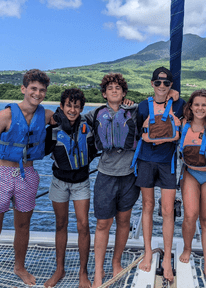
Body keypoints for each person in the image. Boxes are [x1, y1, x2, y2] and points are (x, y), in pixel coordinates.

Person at [0, 69, 54, 288]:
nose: (37, 93)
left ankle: (19, 267)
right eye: (33, 89)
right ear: (24, 89)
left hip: (27, 175)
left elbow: (71, 115)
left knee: (23, 226)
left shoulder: (46, 116)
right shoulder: (5, 115)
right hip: (0, 175)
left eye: (42, 90)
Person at [83, 73, 141, 288]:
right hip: (106, 174)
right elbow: (70, 119)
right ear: (104, 93)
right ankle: (99, 270)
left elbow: (158, 108)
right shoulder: (94, 114)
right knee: (102, 223)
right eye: (110, 88)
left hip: (129, 176)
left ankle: (116, 262)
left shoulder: (134, 112)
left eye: (118, 88)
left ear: (124, 92)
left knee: (124, 221)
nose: (114, 90)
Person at [134, 66, 185, 282]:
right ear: (152, 83)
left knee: (167, 210)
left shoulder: (180, 104)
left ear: (171, 85)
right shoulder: (143, 105)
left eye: (166, 83)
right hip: (146, 159)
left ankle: (166, 259)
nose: (162, 86)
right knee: (147, 206)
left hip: (168, 163)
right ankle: (147, 252)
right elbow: (137, 131)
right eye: (158, 82)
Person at [44, 88, 96, 288]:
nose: (72, 110)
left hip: (81, 182)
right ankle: (60, 269)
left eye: (76, 106)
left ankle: (83, 273)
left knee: (83, 225)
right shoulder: (53, 129)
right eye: (69, 106)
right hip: (59, 182)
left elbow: (93, 150)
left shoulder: (88, 127)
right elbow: (41, 148)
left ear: (81, 108)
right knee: (60, 224)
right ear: (62, 107)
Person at [178, 89, 206, 282]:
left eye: (204, 105)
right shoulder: (183, 125)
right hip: (190, 174)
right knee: (189, 215)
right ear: (190, 106)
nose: (200, 108)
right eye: (196, 104)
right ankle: (187, 248)